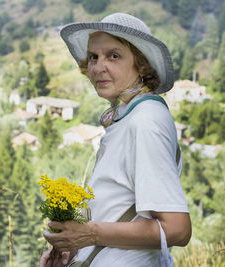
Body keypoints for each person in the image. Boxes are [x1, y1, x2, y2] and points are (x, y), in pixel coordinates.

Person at [40, 13, 191, 266]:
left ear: (140, 64)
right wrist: (77, 249)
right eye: (93, 57)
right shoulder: (128, 116)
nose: (99, 67)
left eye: (114, 55)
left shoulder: (146, 119)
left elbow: (177, 229)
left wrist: (89, 234)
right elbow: (119, 210)